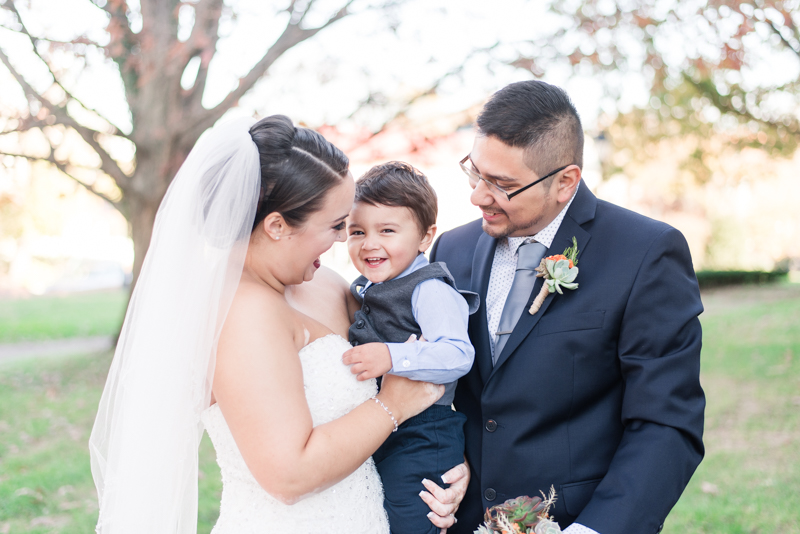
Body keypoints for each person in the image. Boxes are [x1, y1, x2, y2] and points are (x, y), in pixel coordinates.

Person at [89, 116, 467, 533]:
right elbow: (289, 475)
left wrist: (443, 464)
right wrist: (394, 404)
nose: (345, 240)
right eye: (337, 225)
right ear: (277, 226)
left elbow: (410, 363)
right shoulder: (241, 315)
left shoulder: (325, 282)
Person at [430, 81, 705, 534]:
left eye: (502, 185)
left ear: (565, 182)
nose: (478, 195)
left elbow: (665, 424)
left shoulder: (646, 253)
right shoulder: (450, 249)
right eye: (475, 172)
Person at [341, 162, 479, 534]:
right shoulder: (366, 286)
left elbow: (457, 353)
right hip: (384, 426)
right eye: (357, 231)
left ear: (424, 237)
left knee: (410, 523)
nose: (370, 243)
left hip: (424, 434)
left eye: (387, 230)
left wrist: (391, 355)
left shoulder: (429, 288)